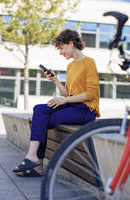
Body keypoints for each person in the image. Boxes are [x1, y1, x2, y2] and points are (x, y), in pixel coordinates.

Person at [13, 29, 100, 177]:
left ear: (71, 43)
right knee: (39, 110)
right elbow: (68, 93)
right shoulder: (71, 66)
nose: (60, 52)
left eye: (61, 47)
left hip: (86, 110)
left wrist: (64, 100)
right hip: (72, 105)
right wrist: (56, 81)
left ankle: (37, 163)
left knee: (42, 120)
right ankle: (33, 157)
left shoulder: (89, 63)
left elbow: (90, 94)